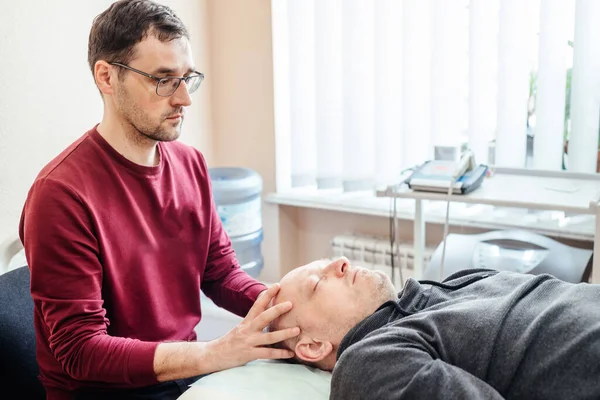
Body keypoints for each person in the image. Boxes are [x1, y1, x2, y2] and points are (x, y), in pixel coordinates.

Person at [18, 1, 299, 399]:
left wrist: (294, 310)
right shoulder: (61, 194)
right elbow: (81, 351)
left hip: (182, 379)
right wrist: (213, 354)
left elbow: (220, 275)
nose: (184, 98)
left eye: (188, 78)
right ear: (107, 77)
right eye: (164, 80)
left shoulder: (190, 163)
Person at [269, 257, 600, 399]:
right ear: (312, 347)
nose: (339, 262)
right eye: (318, 283)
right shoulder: (368, 361)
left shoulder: (450, 285)